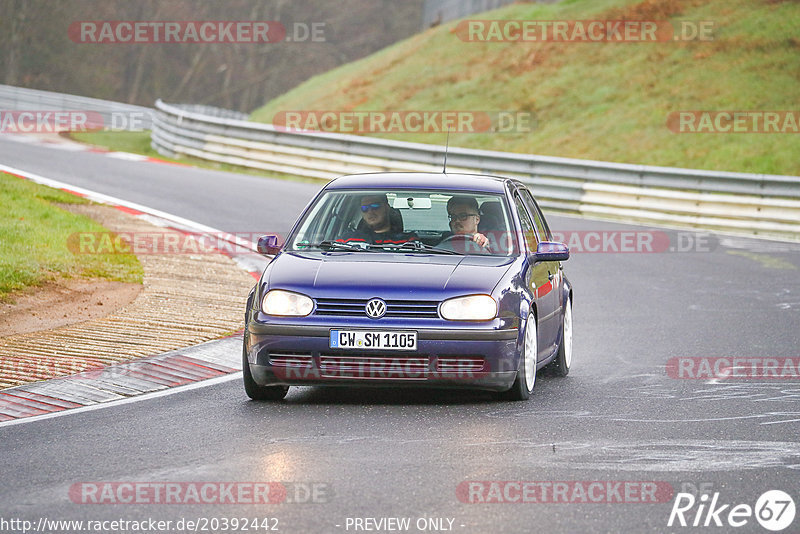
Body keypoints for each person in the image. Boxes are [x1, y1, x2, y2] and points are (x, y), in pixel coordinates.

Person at [338, 194, 417, 246]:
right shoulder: (348, 240)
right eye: (364, 208)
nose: (370, 212)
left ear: (387, 207)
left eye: (375, 206)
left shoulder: (408, 241)